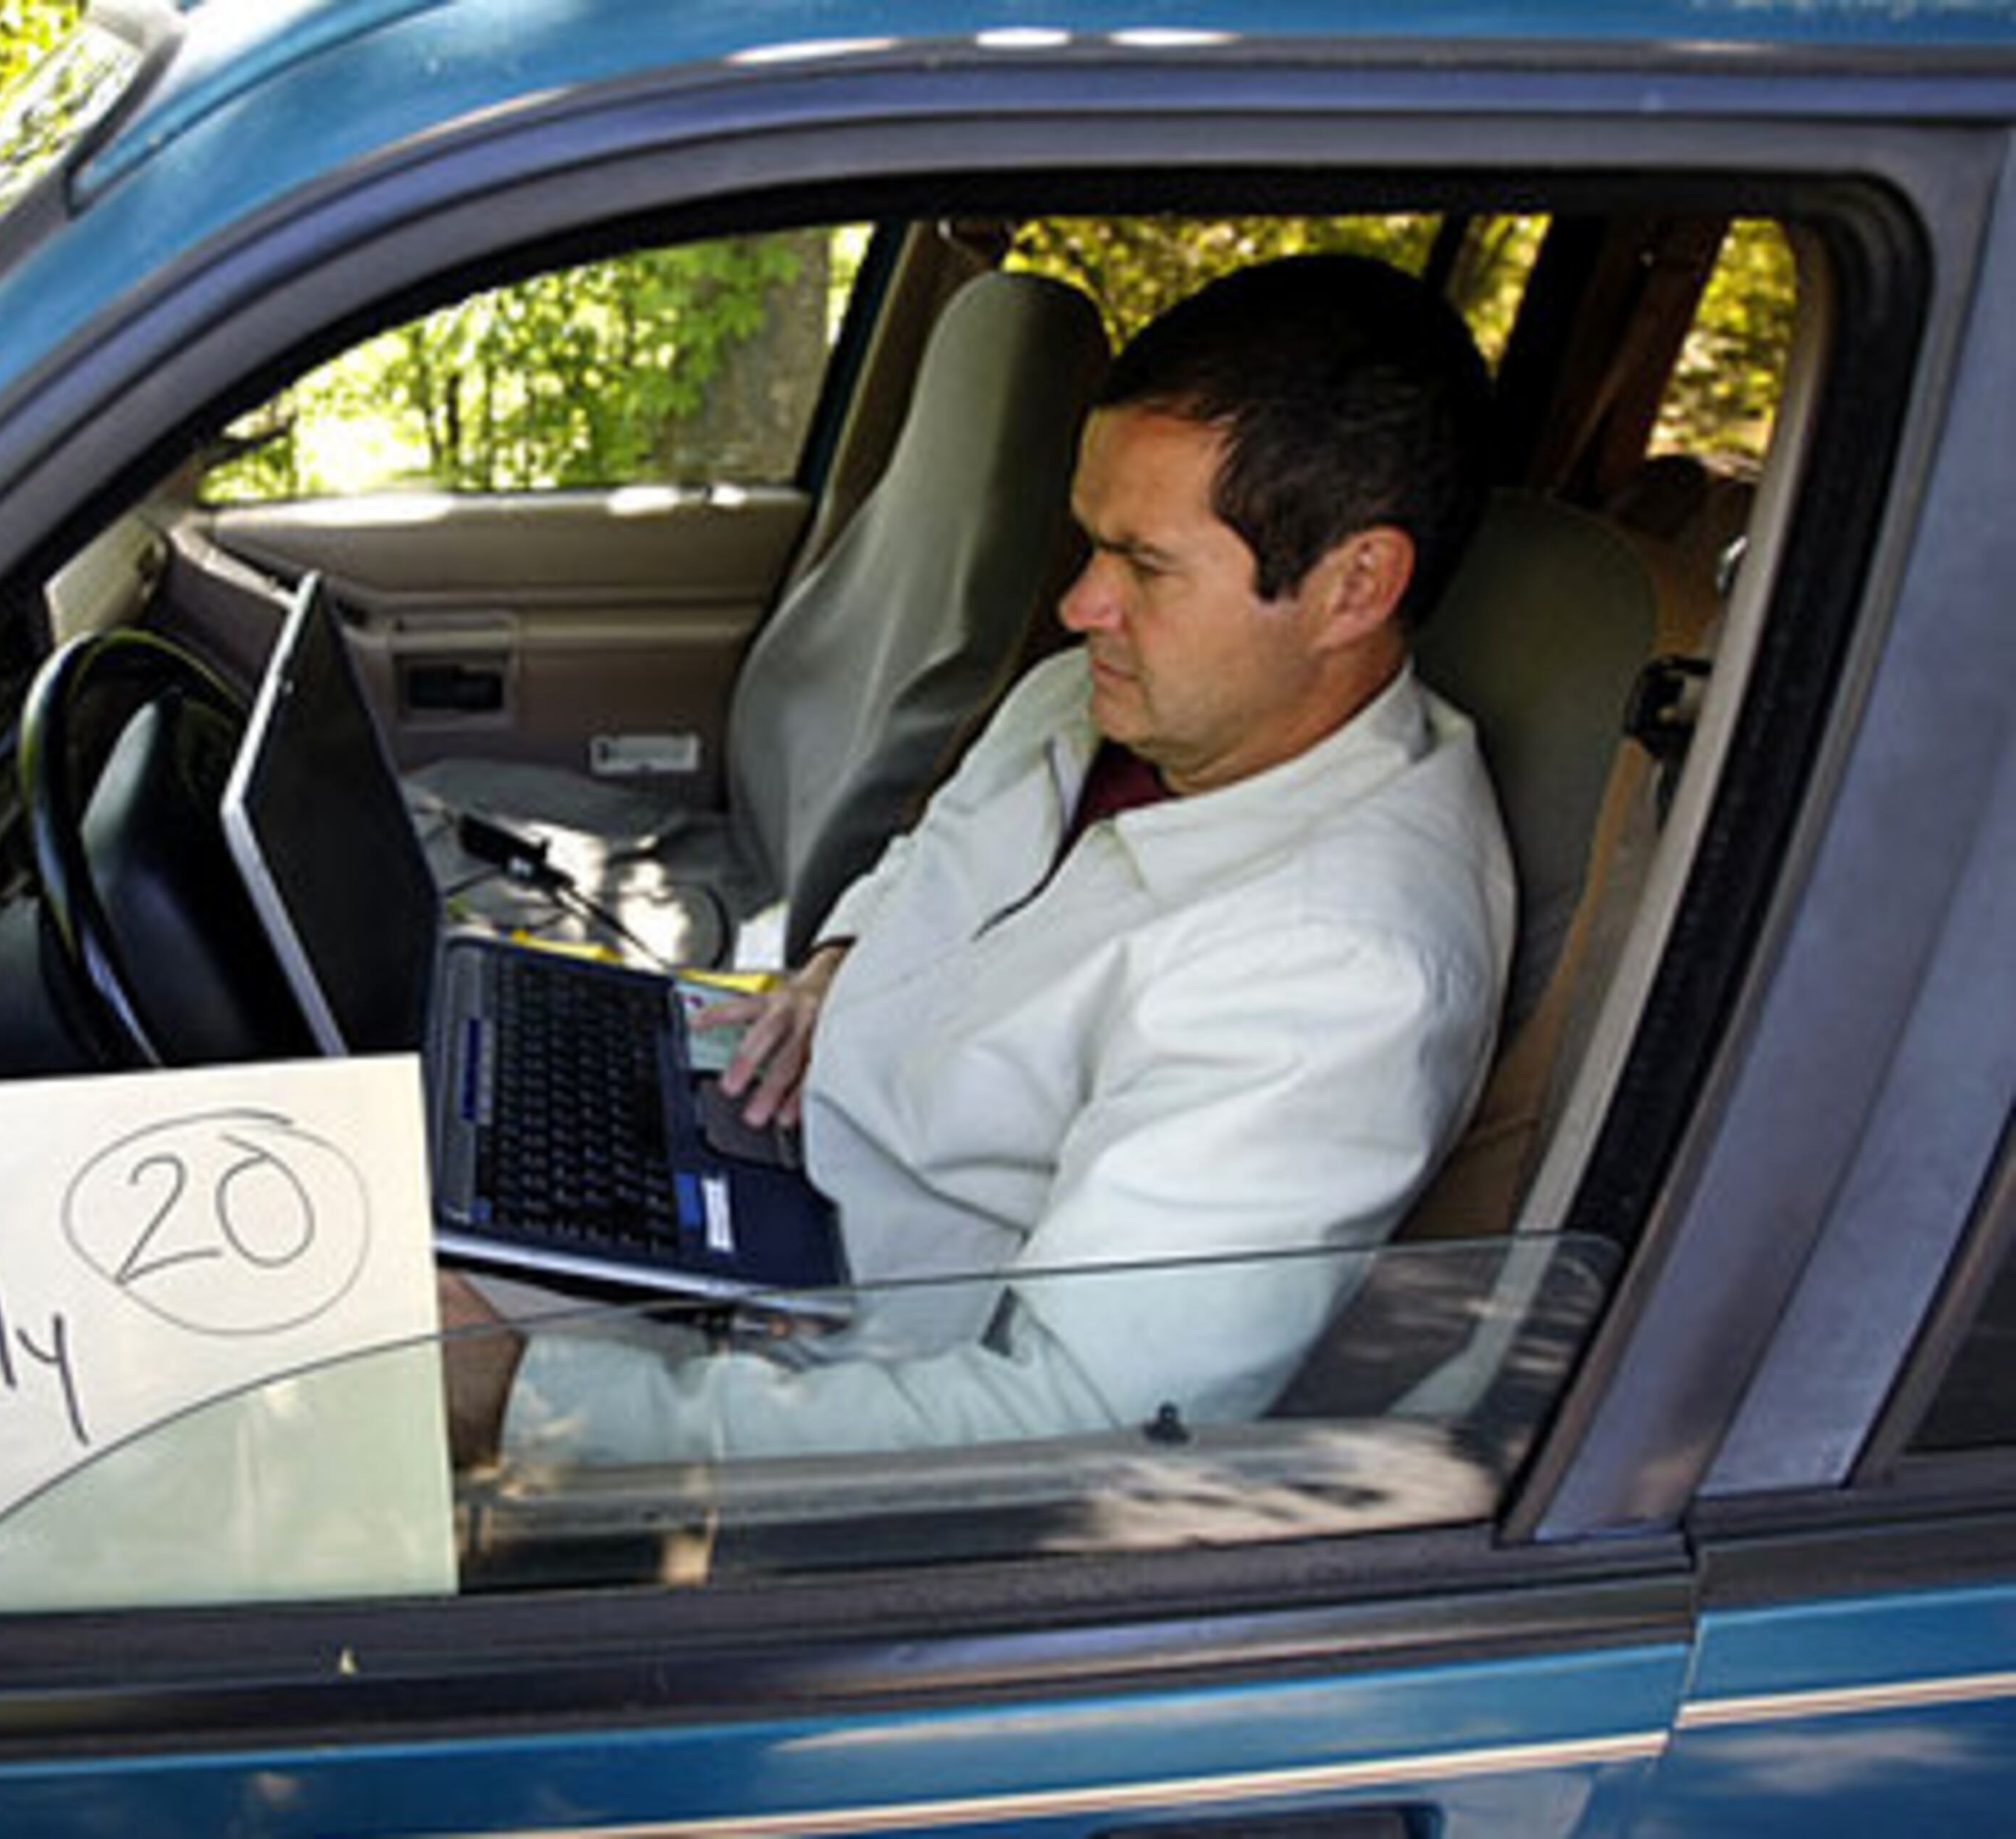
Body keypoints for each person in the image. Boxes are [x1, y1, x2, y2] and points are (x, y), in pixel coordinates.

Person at [443, 253, 1515, 1466]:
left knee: (307, 1350)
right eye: (1089, 543)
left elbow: (1057, 1431)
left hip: (817, 1384)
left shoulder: (1334, 972)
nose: (1077, 605)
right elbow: (930, 857)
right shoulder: (1119, 700)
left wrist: (531, 1398)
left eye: (1145, 564)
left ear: (1353, 585)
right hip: (752, 1191)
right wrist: (843, 953)